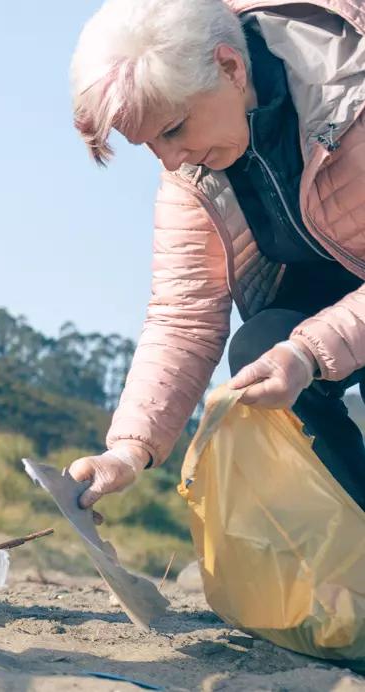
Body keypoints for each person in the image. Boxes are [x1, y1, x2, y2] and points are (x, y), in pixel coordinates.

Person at [67, 0, 365, 512]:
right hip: (337, 298)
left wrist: (310, 352)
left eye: (174, 129)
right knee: (261, 352)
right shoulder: (192, 169)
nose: (170, 159)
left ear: (230, 67)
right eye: (150, 145)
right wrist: (129, 449)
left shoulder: (352, 93)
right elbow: (184, 316)